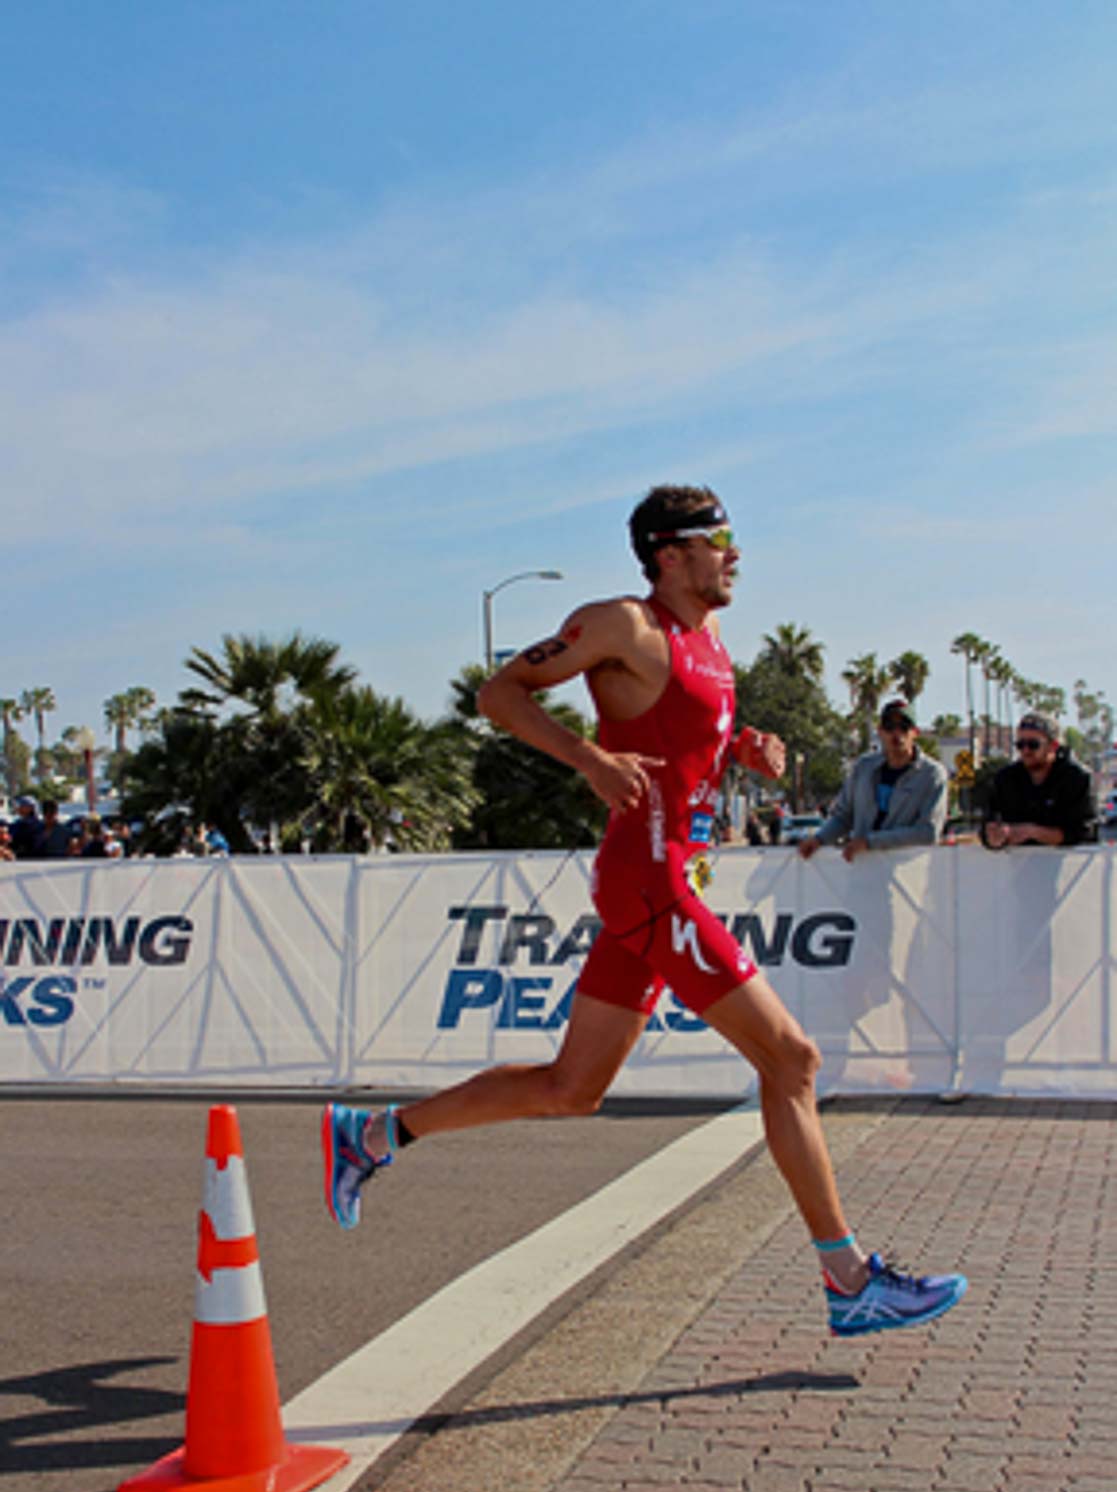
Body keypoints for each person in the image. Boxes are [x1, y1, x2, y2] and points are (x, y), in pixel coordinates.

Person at [320, 485, 967, 1338]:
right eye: (719, 539)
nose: (735, 554)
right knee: (792, 1059)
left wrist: (744, 746)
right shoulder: (622, 623)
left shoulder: (707, 639)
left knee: (570, 1088)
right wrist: (586, 758)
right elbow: (500, 695)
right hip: (647, 880)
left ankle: (371, 1136)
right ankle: (847, 1279)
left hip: (667, 883)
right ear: (669, 551)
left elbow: (681, 730)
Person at [799, 700, 947, 863]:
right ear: (880, 731)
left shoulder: (932, 775)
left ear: (915, 732)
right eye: (889, 726)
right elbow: (843, 817)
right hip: (861, 871)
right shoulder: (863, 768)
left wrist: (870, 842)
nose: (896, 734)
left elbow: (928, 833)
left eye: (904, 727)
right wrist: (819, 840)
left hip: (906, 876)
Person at [982, 712, 1098, 849]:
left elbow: (1084, 832)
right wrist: (993, 835)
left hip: (1068, 865)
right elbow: (988, 822)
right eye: (1020, 744)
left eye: (1033, 744)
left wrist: (1033, 832)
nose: (1025, 750)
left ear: (1053, 746)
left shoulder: (1076, 778)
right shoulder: (1005, 779)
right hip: (1014, 866)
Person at [8, 796, 43, 860]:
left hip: (29, 860)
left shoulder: (36, 825)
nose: (19, 807)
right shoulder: (17, 823)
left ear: (31, 808)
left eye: (22, 805)